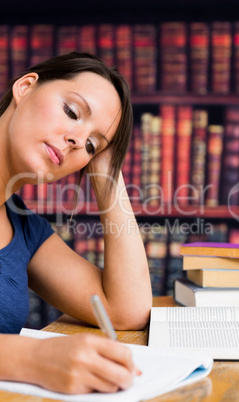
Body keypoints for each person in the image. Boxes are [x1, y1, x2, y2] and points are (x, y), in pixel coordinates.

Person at [0, 52, 152, 394]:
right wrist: (32, 358)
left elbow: (126, 309)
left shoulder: (21, 228)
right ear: (25, 87)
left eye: (90, 145)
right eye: (72, 112)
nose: (75, 141)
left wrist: (106, 167)